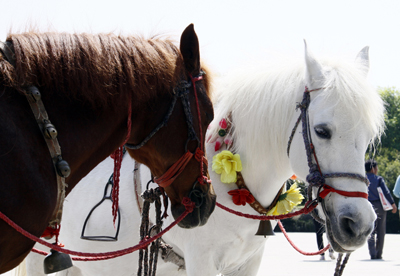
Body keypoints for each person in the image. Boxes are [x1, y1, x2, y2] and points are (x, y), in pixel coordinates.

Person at [365, 159, 397, 260]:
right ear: (373, 169)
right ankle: (379, 254)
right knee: (381, 231)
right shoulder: (378, 179)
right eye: (376, 168)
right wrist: (393, 204)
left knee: (370, 230)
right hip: (380, 206)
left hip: (367, 206)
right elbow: (386, 192)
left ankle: (372, 253)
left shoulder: (363, 179)